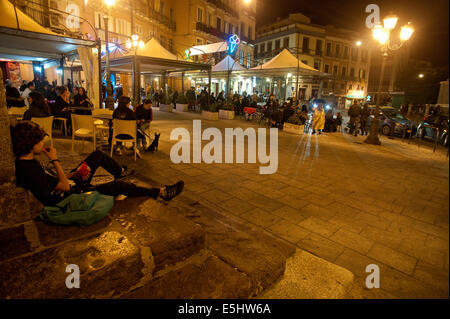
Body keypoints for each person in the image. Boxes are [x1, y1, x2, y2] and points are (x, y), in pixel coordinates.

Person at [10, 121, 184, 209]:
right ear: (30, 143)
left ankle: (119, 172)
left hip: (71, 184)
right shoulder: (28, 169)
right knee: (118, 186)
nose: (43, 143)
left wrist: (74, 175)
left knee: (97, 155)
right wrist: (54, 160)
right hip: (72, 196)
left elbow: (54, 181)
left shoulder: (27, 162)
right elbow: (61, 186)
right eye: (39, 140)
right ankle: (160, 192)